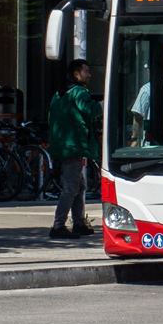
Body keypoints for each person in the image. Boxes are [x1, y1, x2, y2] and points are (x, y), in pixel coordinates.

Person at [48, 59, 102, 239]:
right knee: (71, 188)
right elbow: (90, 110)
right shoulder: (79, 92)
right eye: (86, 71)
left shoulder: (59, 94)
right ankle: (58, 226)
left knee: (79, 186)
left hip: (62, 145)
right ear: (76, 74)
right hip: (74, 146)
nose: (89, 74)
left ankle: (78, 223)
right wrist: (103, 104)